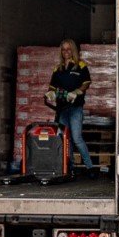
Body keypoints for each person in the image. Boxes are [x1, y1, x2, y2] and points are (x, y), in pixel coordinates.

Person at [47, 38, 98, 174]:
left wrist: (77, 92)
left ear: (73, 50)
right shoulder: (58, 69)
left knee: (76, 138)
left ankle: (90, 167)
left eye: (68, 49)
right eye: (63, 49)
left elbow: (86, 82)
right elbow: (52, 86)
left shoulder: (80, 66)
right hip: (61, 109)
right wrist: (50, 94)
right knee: (65, 138)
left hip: (75, 108)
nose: (66, 52)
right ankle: (70, 167)